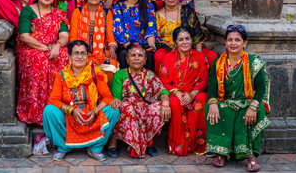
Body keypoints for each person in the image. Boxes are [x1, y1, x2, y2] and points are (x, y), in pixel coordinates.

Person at [206, 25, 271, 172]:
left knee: (258, 109)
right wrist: (213, 103)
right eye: (230, 40)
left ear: (245, 43)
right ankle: (221, 152)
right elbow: (212, 87)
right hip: (226, 101)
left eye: (237, 40)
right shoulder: (218, 62)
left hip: (247, 101)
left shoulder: (254, 61)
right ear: (225, 42)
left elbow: (261, 87)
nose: (233, 43)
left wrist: (253, 106)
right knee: (211, 107)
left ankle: (251, 156)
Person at [42, 40, 120, 161]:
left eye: (83, 53)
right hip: (70, 117)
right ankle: (63, 146)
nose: (79, 56)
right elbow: (54, 100)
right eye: (76, 53)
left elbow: (108, 97)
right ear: (69, 56)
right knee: (49, 110)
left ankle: (95, 148)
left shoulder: (96, 73)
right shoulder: (61, 75)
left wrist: (95, 111)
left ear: (88, 56)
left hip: (91, 116)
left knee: (114, 110)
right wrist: (71, 110)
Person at [15, 0, 69, 126]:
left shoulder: (59, 14)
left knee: (64, 55)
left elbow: (64, 36)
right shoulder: (28, 11)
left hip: (53, 48)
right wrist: (47, 48)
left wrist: (57, 46)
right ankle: (36, 111)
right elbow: (25, 36)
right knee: (40, 59)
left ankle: (59, 108)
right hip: (31, 49)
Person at [106, 42, 171, 158]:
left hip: (144, 109)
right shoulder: (120, 75)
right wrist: (116, 100)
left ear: (145, 60)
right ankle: (113, 142)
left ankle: (147, 141)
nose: (136, 58)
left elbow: (162, 90)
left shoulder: (150, 75)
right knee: (122, 108)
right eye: (133, 55)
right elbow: (116, 97)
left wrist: (165, 102)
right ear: (126, 59)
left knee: (158, 107)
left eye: (140, 55)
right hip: (127, 109)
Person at [158, 26, 209, 156]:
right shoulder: (168, 58)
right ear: (175, 42)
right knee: (174, 103)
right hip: (176, 93)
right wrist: (177, 93)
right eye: (180, 39)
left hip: (195, 92)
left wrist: (193, 93)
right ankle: (179, 144)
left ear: (192, 40)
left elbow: (204, 79)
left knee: (201, 101)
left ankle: (196, 143)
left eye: (187, 38)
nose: (185, 42)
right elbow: (163, 80)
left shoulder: (201, 57)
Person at [155, 0, 217, 73]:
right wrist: (173, 49)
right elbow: (157, 38)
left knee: (211, 55)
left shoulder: (187, 10)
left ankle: (208, 84)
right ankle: (162, 84)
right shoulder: (157, 16)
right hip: (168, 49)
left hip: (189, 47)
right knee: (159, 55)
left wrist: (198, 52)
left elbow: (197, 33)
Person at [69, 0, 118, 85]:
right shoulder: (78, 11)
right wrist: (77, 51)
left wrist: (112, 48)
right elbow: (73, 36)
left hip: (101, 53)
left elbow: (110, 35)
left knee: (112, 63)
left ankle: (105, 96)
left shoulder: (106, 13)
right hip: (81, 51)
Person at [112, 0, 157, 71]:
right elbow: (119, 31)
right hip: (126, 46)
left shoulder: (148, 6)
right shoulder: (118, 7)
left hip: (144, 46)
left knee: (150, 55)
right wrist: (133, 49)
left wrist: (151, 46)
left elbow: (151, 28)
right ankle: (126, 84)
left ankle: (147, 84)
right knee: (125, 55)